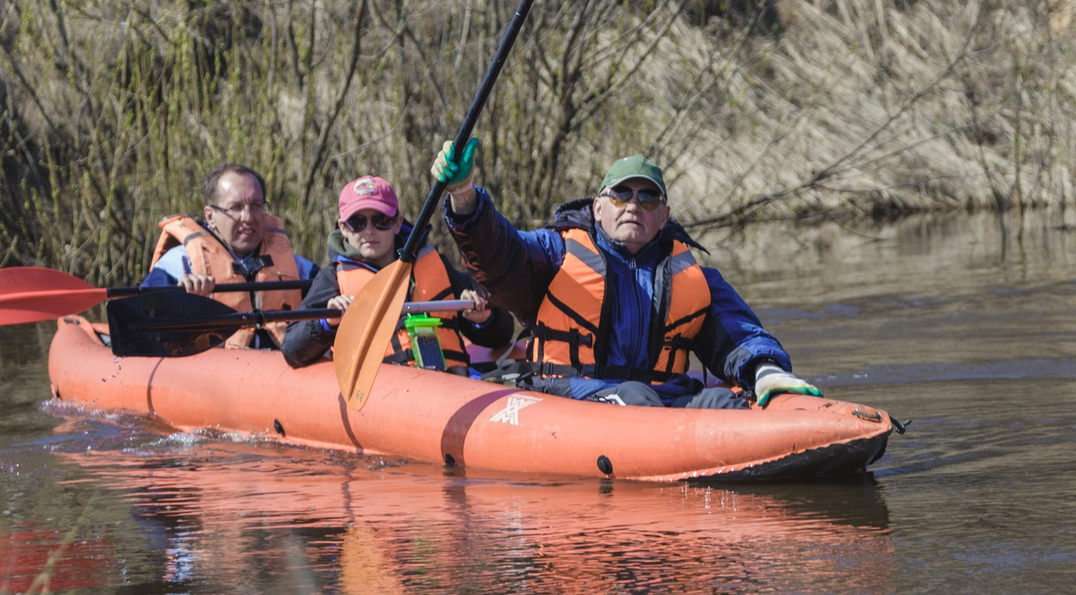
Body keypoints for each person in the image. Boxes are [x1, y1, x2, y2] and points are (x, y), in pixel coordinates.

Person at [432, 144, 823, 409]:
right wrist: (465, 197)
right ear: (599, 207)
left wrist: (766, 371)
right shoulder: (554, 251)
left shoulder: (691, 274)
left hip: (661, 395)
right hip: (566, 393)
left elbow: (738, 333)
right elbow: (497, 254)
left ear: (664, 215)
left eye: (647, 198)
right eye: (622, 195)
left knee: (724, 403)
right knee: (636, 397)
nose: (634, 205)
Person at [282, 176, 514, 373]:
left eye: (381, 220)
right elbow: (292, 350)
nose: (369, 230)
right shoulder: (332, 278)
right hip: (384, 400)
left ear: (397, 223)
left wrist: (485, 320)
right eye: (357, 222)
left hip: (448, 390)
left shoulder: (434, 263)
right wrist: (328, 322)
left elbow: (500, 334)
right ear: (343, 228)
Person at [141, 164, 315, 351]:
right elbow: (144, 325)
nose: (248, 217)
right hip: (214, 371)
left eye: (256, 206)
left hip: (278, 370)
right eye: (236, 207)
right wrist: (180, 300)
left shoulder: (299, 268)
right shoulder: (177, 264)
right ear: (210, 215)